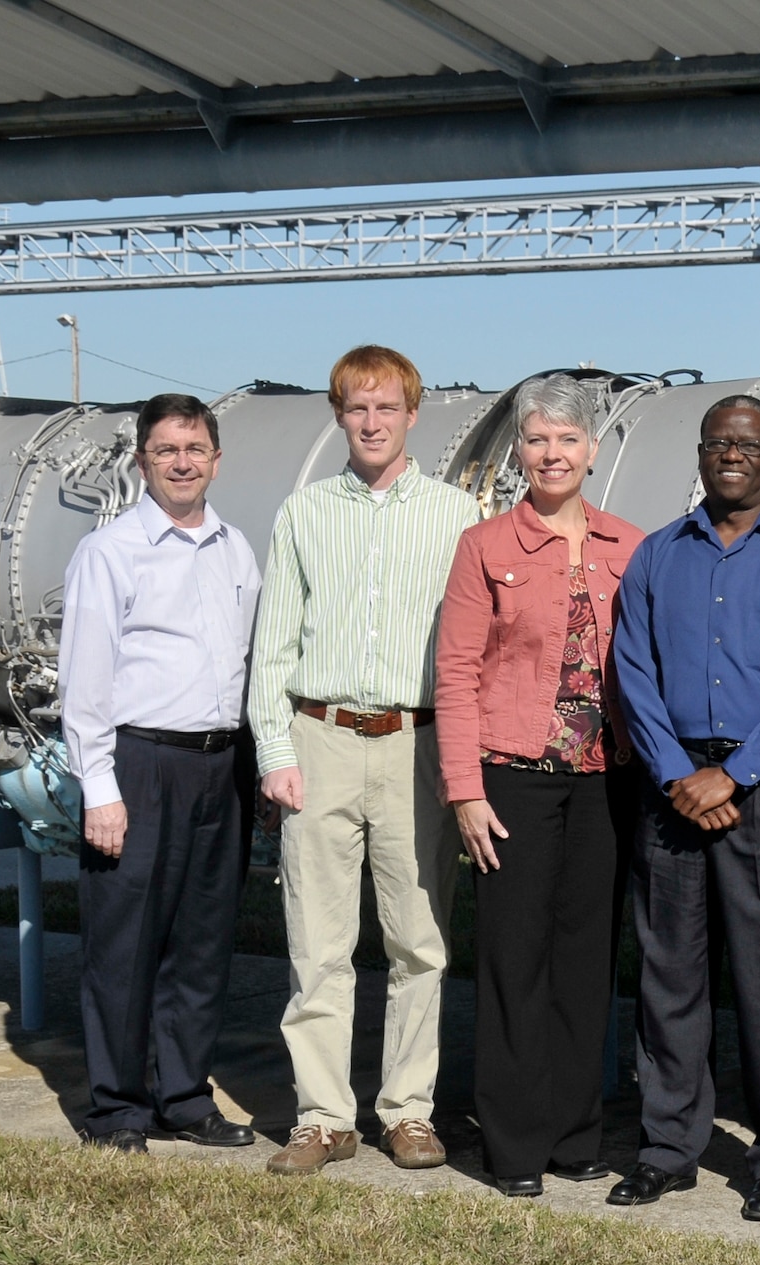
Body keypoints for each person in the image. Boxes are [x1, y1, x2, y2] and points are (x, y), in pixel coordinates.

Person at [608, 394, 760, 1224]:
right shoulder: (656, 557)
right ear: (701, 454)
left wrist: (737, 773)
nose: (732, 456)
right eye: (718, 444)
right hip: (673, 782)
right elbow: (632, 672)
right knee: (669, 973)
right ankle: (668, 1148)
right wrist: (680, 770)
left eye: (748, 446)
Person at [248, 345, 477, 1177]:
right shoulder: (304, 514)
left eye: (387, 407)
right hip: (322, 739)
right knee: (319, 943)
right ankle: (322, 1117)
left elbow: (467, 650)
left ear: (414, 415)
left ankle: (408, 1111)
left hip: (416, 743)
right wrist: (276, 752)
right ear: (338, 416)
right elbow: (272, 649)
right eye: (357, 408)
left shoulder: (457, 517)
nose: (373, 422)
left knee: (420, 940)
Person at [435, 375, 644, 1198]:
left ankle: (573, 1132)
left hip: (602, 781)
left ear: (593, 452)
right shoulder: (484, 547)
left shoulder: (629, 545)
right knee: (514, 960)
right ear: (519, 451)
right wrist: (464, 790)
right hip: (511, 779)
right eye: (537, 439)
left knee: (585, 961)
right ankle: (515, 1144)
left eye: (567, 440)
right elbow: (454, 673)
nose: (552, 454)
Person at [59, 392, 261, 1154]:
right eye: (166, 450)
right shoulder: (109, 552)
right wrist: (100, 789)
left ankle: (183, 1096)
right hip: (140, 763)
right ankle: (117, 1109)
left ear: (216, 460)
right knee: (124, 945)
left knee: (203, 942)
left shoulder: (235, 548)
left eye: (195, 449)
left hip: (220, 764)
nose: (182, 462)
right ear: (142, 461)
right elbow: (85, 681)